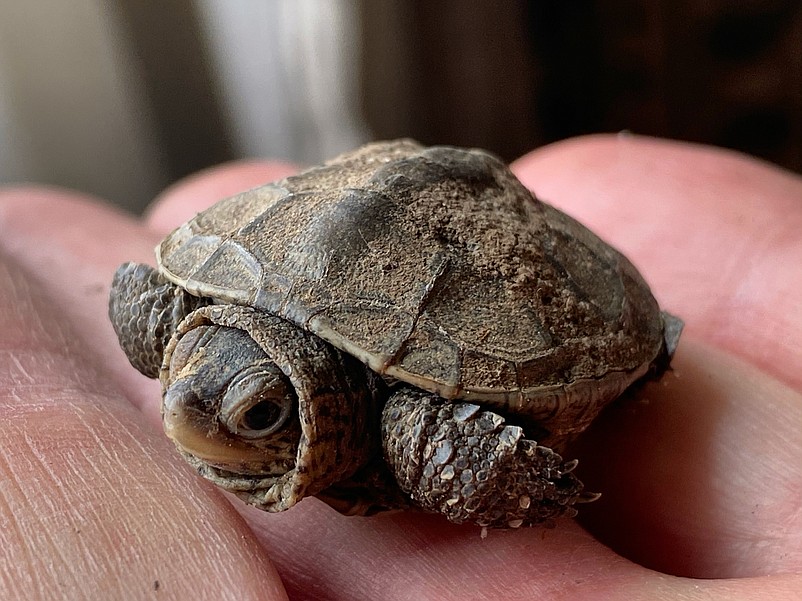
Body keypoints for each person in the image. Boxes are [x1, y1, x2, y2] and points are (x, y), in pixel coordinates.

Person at [0, 134, 799, 600]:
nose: (185, 412)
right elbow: (145, 289)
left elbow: (439, 437)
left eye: (257, 415)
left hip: (484, 257)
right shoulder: (179, 325)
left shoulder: (401, 422)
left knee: (440, 453)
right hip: (307, 232)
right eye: (186, 378)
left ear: (321, 415)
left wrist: (516, 473)